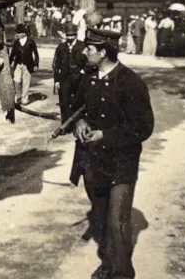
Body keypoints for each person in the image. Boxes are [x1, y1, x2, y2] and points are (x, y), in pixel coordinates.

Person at [69, 27, 154, 279]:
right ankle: (108, 264)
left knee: (116, 219)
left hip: (121, 164)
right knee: (100, 215)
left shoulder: (131, 82)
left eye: (90, 48)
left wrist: (106, 135)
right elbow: (78, 109)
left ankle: (121, 273)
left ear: (104, 52)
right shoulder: (89, 78)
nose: (85, 52)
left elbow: (143, 127)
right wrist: (80, 123)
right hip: (94, 162)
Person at [52, 23, 86, 122]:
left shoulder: (82, 46)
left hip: (79, 78)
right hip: (64, 79)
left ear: (76, 35)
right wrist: (57, 80)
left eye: (72, 35)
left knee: (78, 102)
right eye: (68, 35)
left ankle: (77, 124)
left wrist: (83, 71)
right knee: (64, 102)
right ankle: (65, 125)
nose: (70, 37)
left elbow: (88, 62)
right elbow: (56, 64)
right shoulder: (61, 47)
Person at [10, 24, 39, 105]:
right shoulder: (16, 42)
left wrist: (36, 65)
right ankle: (19, 96)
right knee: (16, 80)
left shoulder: (31, 42)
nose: (17, 35)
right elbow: (12, 54)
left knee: (26, 82)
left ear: (24, 33)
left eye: (19, 33)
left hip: (28, 65)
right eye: (17, 33)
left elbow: (36, 54)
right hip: (18, 64)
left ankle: (24, 99)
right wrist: (9, 63)